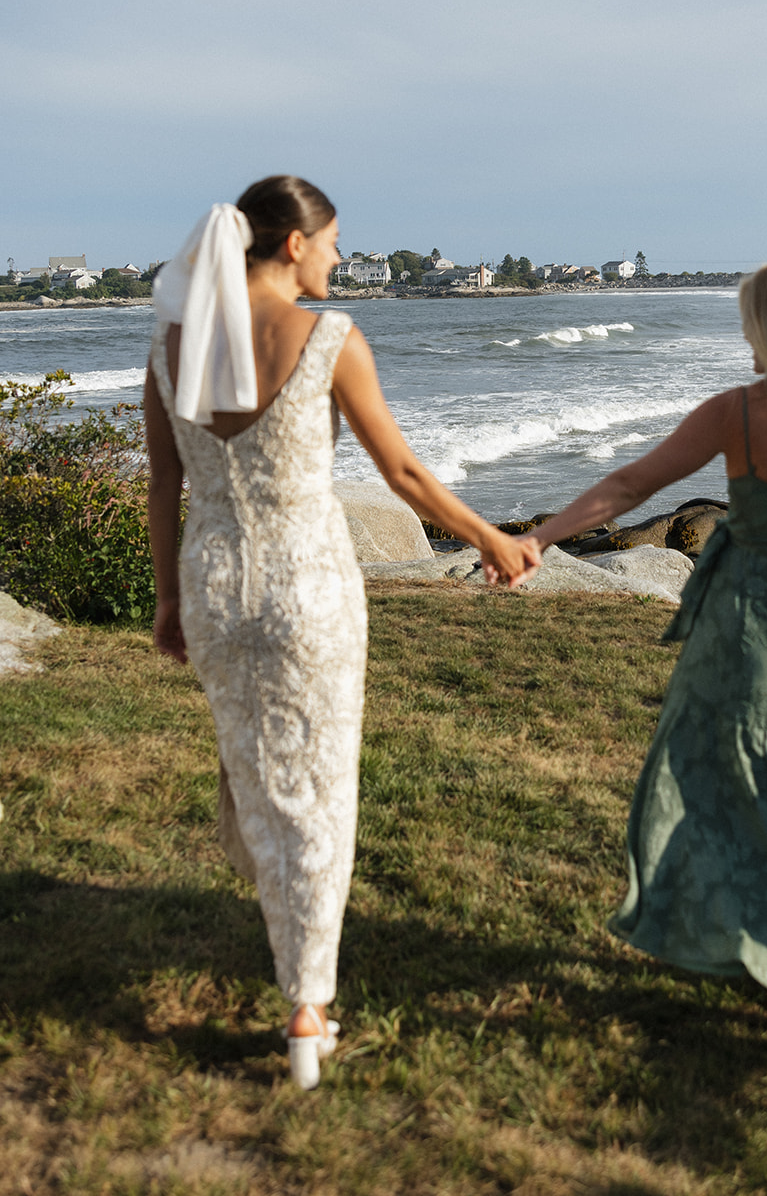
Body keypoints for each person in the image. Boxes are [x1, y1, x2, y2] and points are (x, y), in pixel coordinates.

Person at [145, 177, 539, 1087]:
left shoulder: (170, 348)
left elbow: (162, 487)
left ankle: (284, 932)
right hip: (305, 588)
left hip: (213, 586)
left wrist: (167, 599)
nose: (335, 260)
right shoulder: (329, 337)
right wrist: (493, 539)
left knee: (254, 765)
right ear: (292, 243)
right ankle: (306, 1011)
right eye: (330, 244)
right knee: (318, 784)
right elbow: (399, 469)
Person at [518, 260, 767, 1026]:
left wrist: (541, 537)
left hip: (739, 620)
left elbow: (629, 486)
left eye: (749, 324)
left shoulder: (736, 414)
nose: (743, 337)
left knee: (732, 779)